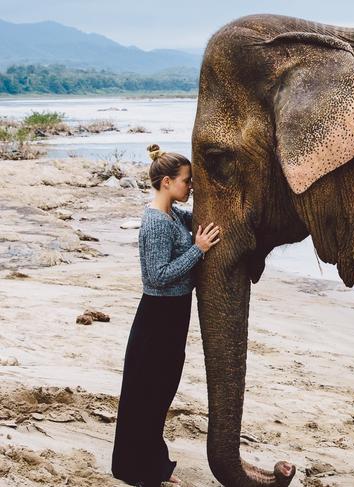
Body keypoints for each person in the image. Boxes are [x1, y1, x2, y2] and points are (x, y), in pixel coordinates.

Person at [111, 144, 220, 487]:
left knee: (158, 394)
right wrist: (198, 251)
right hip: (158, 318)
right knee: (150, 395)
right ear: (168, 182)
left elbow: (198, 219)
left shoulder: (174, 214)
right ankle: (141, 470)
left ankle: (148, 464)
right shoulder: (157, 223)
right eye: (188, 181)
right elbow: (157, 276)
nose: (191, 187)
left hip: (171, 316)